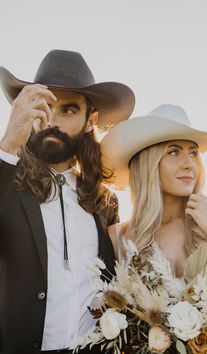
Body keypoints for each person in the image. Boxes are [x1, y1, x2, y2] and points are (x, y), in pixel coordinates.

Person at [0, 49, 135, 354]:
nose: (52, 120)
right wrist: (9, 141)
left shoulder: (106, 203)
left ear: (92, 120)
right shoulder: (7, 186)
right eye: (44, 106)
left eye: (68, 110)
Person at [101, 104, 207, 276]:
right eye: (173, 152)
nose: (189, 165)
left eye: (193, 153)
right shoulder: (117, 238)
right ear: (148, 165)